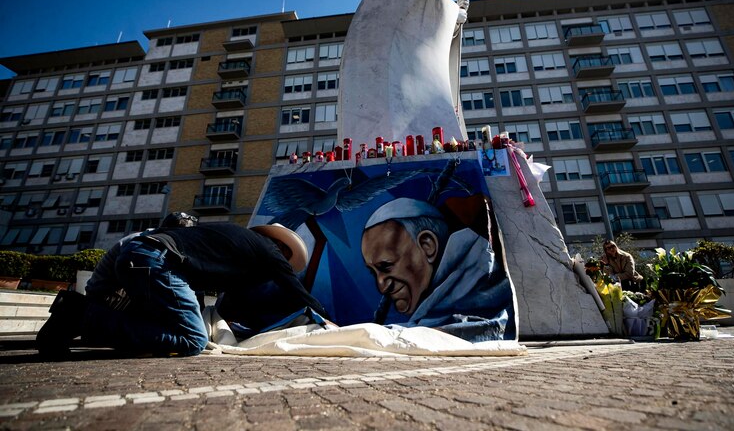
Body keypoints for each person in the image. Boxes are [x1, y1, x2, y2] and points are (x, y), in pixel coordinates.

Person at [36, 222, 328, 357]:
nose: (284, 263)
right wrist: (324, 318)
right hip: (156, 262)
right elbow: (296, 290)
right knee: (192, 340)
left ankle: (78, 316)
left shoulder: (235, 245)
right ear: (281, 248)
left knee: (164, 328)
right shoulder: (269, 251)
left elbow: (227, 302)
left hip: (142, 257)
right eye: (286, 258)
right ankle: (81, 315)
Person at [337, 0, 469, 144]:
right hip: (391, 83)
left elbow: (431, 37)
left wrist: (455, 16)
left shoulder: (427, 4)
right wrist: (454, 12)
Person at [360, 198, 515, 342]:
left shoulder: (476, 278)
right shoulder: (439, 296)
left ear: (428, 246)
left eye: (386, 266)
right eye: (374, 272)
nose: (382, 286)